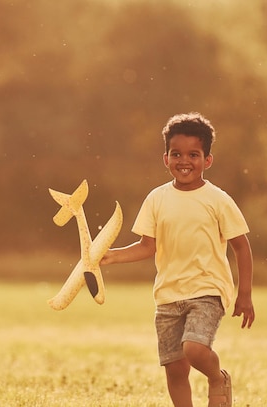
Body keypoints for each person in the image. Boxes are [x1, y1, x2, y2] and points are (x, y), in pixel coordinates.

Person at [101, 112, 255, 407]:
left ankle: (217, 377)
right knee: (175, 367)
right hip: (168, 294)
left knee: (195, 349)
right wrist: (111, 257)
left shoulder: (218, 199)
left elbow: (241, 246)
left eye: (193, 154)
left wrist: (244, 294)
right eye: (177, 154)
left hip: (208, 291)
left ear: (207, 160)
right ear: (166, 158)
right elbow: (148, 246)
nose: (184, 161)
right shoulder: (157, 199)